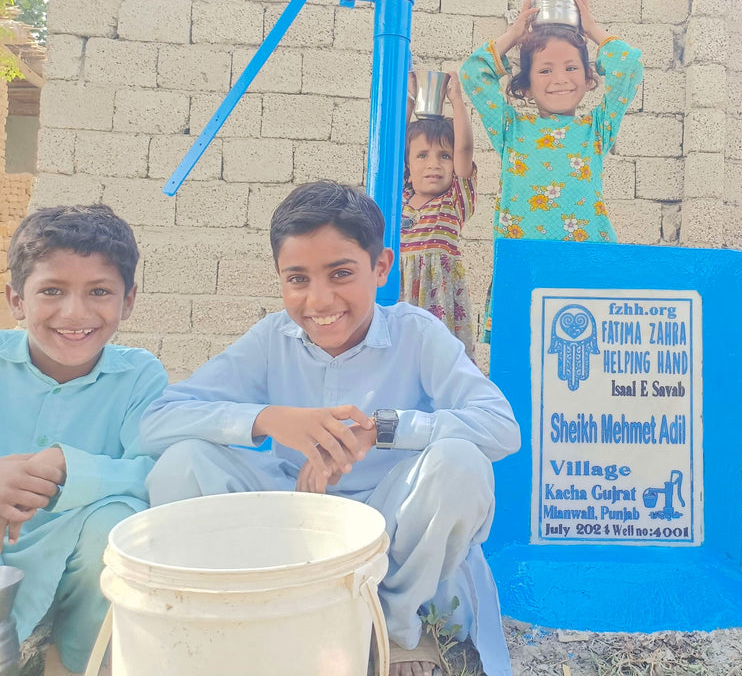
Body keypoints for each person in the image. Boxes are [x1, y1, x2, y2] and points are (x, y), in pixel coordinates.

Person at [139, 181, 520, 676]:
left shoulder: (417, 333)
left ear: (381, 267)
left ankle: (395, 627)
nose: (319, 300)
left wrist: (385, 428)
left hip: (390, 524)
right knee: (182, 464)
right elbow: (155, 423)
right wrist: (270, 420)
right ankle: (249, 613)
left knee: (462, 463)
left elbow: (500, 428)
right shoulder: (270, 339)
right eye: (297, 278)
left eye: (341, 273)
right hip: (292, 518)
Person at [0, 205, 167, 674]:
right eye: (52, 290)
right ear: (17, 299)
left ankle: (82, 664)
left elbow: (152, 471)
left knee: (122, 521)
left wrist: (66, 468)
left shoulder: (139, 376)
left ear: (127, 301)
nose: (75, 313)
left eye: (99, 291)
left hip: (79, 576)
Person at [459, 0, 643, 339]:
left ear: (589, 79)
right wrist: (514, 35)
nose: (559, 78)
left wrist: (591, 28)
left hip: (587, 262)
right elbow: (472, 74)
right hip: (524, 264)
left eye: (571, 67)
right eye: (544, 71)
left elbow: (630, 65)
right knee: (517, 363)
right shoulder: (511, 128)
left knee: (589, 355)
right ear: (524, 86)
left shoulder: (596, 129)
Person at [401, 72, 477, 359]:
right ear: (408, 163)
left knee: (439, 358)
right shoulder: (399, 198)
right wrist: (409, 100)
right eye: (422, 156)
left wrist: (457, 100)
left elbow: (465, 148)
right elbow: (392, 148)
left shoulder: (455, 199)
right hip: (402, 292)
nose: (434, 164)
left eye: (444, 156)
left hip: (439, 298)